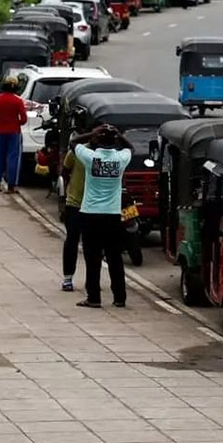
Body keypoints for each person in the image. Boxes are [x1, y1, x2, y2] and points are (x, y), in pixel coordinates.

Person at [73, 124, 132, 308]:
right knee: (115, 258)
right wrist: (118, 134)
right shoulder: (120, 159)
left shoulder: (91, 158)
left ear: (97, 140)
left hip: (90, 214)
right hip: (113, 214)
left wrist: (93, 133)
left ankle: (94, 298)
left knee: (92, 259)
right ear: (114, 142)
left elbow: (73, 142)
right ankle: (120, 297)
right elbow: (130, 148)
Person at [0, 76, 26, 193]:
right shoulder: (18, 100)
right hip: (14, 132)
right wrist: (15, 123)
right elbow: (23, 119)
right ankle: (11, 185)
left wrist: (0, 122)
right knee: (13, 158)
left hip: (0, 132)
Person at [61, 144, 86, 292]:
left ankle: (92, 280)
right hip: (74, 203)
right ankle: (68, 278)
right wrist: (67, 193)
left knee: (93, 245)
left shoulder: (105, 153)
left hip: (93, 206)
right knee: (72, 240)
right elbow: (65, 172)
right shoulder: (77, 152)